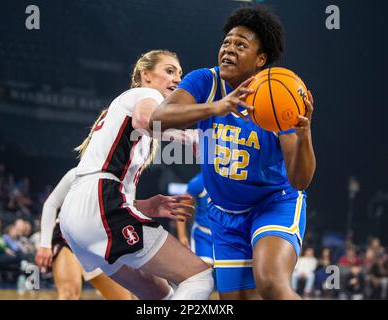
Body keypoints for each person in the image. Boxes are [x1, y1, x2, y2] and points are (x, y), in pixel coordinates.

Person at [150, 6, 316, 300]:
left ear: (260, 59)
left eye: (241, 45)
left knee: (270, 283)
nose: (229, 49)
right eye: (226, 42)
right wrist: (218, 106)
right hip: (225, 213)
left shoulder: (279, 95)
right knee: (235, 299)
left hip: (273, 203)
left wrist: (304, 136)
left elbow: (300, 180)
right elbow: (158, 119)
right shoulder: (205, 82)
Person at [59, 50, 214, 300]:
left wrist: (147, 206)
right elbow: (145, 120)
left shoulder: (125, 112)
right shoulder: (145, 94)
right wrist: (190, 138)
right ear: (146, 75)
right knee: (198, 276)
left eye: (180, 74)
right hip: (97, 203)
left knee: (159, 295)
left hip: (78, 214)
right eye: (169, 70)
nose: (177, 79)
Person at [35, 168, 133, 300]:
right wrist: (45, 244)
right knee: (68, 294)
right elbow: (51, 203)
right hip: (68, 239)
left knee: (123, 298)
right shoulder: (78, 173)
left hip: (98, 244)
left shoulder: (125, 181)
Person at [176, 172, 213, 266]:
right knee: (205, 272)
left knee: (225, 275)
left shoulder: (233, 180)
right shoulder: (200, 181)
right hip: (203, 235)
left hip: (226, 235)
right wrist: (182, 236)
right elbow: (182, 208)